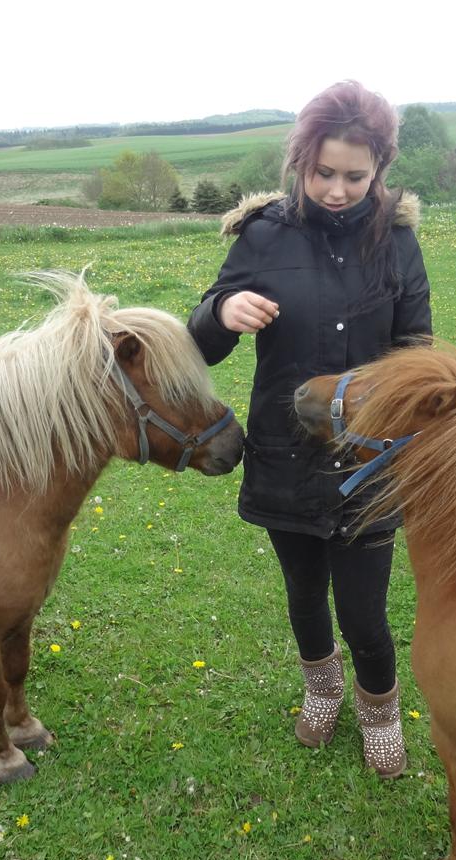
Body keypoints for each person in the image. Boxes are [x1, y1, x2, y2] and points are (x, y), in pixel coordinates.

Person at [187, 81, 432, 778]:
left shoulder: (399, 242)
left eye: (355, 176)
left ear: (380, 169)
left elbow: (417, 345)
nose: (336, 189)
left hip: (369, 462)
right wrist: (223, 310)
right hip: (284, 453)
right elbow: (201, 340)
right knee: (303, 595)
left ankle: (379, 709)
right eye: (323, 172)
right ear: (301, 161)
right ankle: (321, 689)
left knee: (364, 611)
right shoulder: (263, 234)